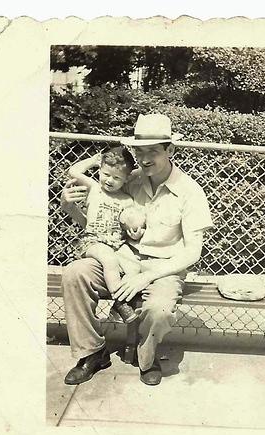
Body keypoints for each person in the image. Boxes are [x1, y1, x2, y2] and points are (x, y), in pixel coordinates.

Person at [60, 114, 213, 386]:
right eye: (139, 151)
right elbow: (95, 227)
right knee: (75, 273)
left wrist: (146, 277)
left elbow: (192, 253)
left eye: (153, 151)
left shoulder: (190, 191)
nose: (144, 159)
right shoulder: (128, 180)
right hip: (120, 258)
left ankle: (147, 357)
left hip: (164, 268)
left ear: (171, 150)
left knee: (159, 309)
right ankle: (92, 353)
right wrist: (70, 207)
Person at [68, 147, 145, 324]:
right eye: (105, 174)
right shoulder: (95, 189)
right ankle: (120, 301)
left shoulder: (127, 200)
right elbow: (73, 171)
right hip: (93, 241)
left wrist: (135, 233)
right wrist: (93, 161)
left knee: (133, 266)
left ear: (126, 178)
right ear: (100, 170)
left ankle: (118, 308)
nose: (109, 180)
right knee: (109, 260)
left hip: (117, 244)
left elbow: (128, 228)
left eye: (117, 177)